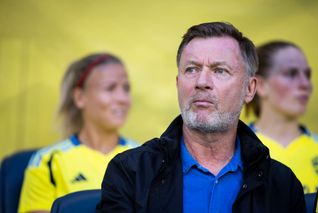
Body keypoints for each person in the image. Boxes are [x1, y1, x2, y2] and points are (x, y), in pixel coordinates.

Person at [96, 22, 306, 213]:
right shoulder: (130, 173)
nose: (202, 82)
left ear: (249, 89)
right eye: (192, 69)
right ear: (178, 83)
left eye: (220, 71)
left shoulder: (282, 185)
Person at [18, 53, 138, 213]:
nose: (123, 98)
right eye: (110, 88)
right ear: (80, 97)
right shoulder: (47, 161)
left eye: (126, 88)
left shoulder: (145, 158)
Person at [246, 41, 318, 193]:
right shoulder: (235, 150)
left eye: (307, 75)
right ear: (260, 85)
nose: (305, 84)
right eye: (291, 74)